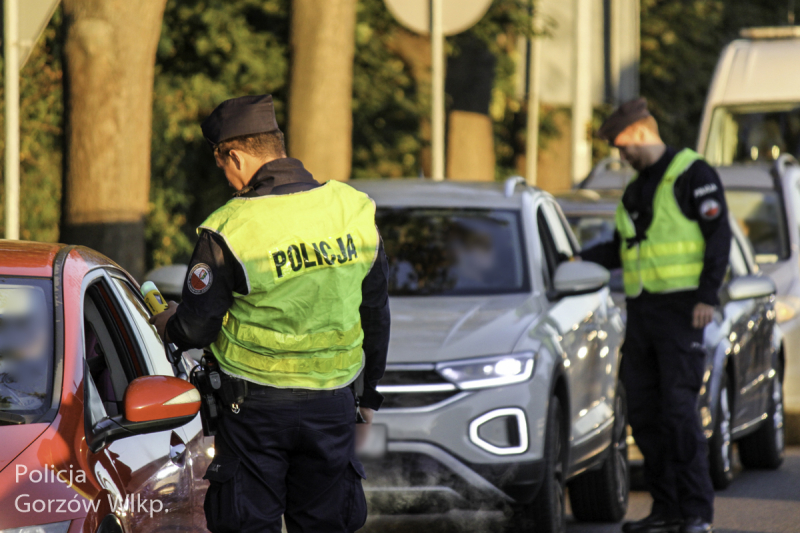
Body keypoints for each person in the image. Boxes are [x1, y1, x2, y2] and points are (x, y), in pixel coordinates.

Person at [149, 94, 391, 533]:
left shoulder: (230, 227)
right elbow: (374, 311)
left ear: (235, 157)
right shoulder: (352, 210)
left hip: (254, 411)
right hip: (333, 405)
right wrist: (368, 395)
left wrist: (170, 324)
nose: (227, 179)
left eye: (222, 166)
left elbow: (197, 328)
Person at [581, 98, 730, 533]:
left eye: (622, 145)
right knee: (644, 414)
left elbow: (718, 236)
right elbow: (624, 249)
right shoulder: (635, 189)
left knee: (679, 413)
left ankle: (696, 513)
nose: (621, 154)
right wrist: (576, 258)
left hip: (683, 312)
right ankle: (667, 510)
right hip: (643, 313)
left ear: (641, 133)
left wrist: (707, 296)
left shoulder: (693, 174)